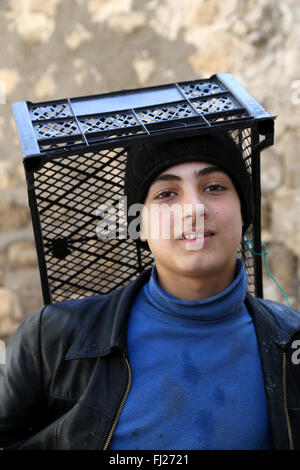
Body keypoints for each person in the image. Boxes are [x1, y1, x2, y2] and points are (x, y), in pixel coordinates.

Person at [0, 130, 300, 451]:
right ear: (139, 225)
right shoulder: (50, 337)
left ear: (245, 213)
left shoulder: (292, 341)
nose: (194, 209)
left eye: (214, 187)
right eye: (167, 194)